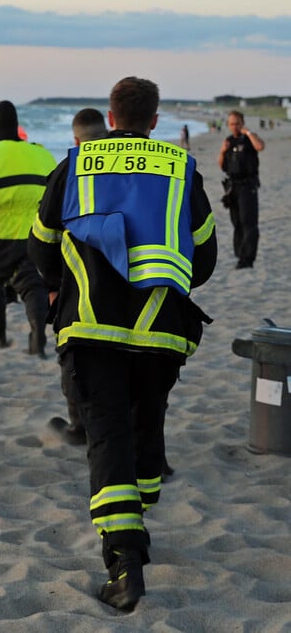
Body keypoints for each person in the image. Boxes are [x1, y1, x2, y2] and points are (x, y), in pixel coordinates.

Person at [28, 76, 217, 611]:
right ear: (154, 120)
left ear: (111, 118)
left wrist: (63, 280)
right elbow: (204, 257)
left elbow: (40, 245)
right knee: (146, 422)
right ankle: (139, 508)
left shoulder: (75, 165)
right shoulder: (181, 168)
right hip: (161, 327)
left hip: (91, 324)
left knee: (107, 436)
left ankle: (124, 563)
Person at [0, 100, 57, 357]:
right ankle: (38, 338)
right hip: (35, 233)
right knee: (33, 285)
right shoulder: (42, 153)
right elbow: (55, 193)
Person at [47, 107, 109, 444]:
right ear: (108, 128)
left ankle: (78, 427)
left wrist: (52, 285)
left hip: (80, 282)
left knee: (73, 351)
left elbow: (43, 239)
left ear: (75, 139)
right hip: (138, 282)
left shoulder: (68, 170)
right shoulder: (138, 166)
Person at [218, 110, 265, 269]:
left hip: (248, 185)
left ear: (242, 123)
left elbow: (260, 147)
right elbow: (222, 166)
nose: (235, 126)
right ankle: (240, 254)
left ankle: (247, 258)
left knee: (248, 222)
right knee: (236, 222)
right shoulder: (228, 141)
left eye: (237, 123)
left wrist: (249, 132)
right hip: (233, 186)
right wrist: (222, 151)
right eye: (232, 124)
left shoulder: (249, 139)